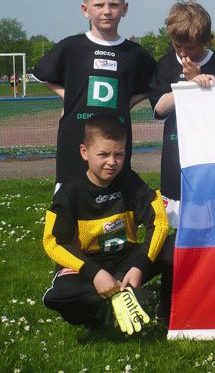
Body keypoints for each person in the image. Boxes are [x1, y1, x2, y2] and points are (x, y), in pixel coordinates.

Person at [42, 114, 174, 328]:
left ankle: (166, 310)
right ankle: (102, 312)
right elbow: (53, 242)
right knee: (59, 297)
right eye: (103, 154)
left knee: (177, 245)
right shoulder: (69, 193)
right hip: (88, 264)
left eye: (119, 154)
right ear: (84, 152)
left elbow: (159, 221)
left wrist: (140, 264)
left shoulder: (131, 182)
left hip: (126, 261)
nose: (112, 162)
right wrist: (94, 273)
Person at [33, 0, 156, 191]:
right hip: (75, 140)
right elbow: (42, 74)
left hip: (114, 142)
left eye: (114, 5)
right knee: (70, 201)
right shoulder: (71, 47)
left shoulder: (134, 53)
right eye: (99, 5)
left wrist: (126, 102)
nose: (106, 11)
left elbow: (153, 85)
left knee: (114, 202)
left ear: (125, 9)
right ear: (85, 9)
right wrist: (70, 97)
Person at [148, 0, 215, 229]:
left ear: (207, 40)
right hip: (175, 158)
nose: (183, 53)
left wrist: (204, 88)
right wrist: (191, 85)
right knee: (174, 228)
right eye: (178, 46)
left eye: (191, 48)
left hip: (211, 157)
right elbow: (159, 108)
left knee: (212, 225)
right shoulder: (166, 64)